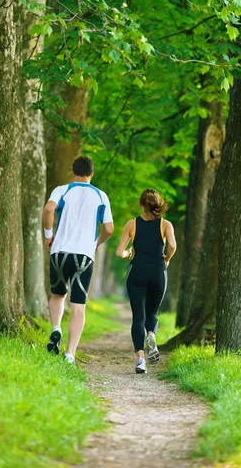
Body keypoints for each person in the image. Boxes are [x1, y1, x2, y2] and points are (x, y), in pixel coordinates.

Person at [42, 156, 114, 364]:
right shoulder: (101, 196)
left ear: (73, 171)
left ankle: (56, 329)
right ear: (92, 174)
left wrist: (49, 235)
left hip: (59, 252)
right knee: (78, 306)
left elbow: (48, 210)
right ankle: (70, 354)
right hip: (84, 255)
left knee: (57, 295)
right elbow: (109, 229)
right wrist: (96, 243)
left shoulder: (62, 189)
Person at [116, 188, 177, 374]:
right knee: (152, 312)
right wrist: (166, 259)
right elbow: (173, 246)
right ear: (158, 204)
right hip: (158, 273)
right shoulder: (165, 225)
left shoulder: (132, 224)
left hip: (137, 272)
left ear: (141, 204)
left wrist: (129, 254)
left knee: (138, 316)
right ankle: (151, 335)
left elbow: (120, 252)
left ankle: (140, 360)